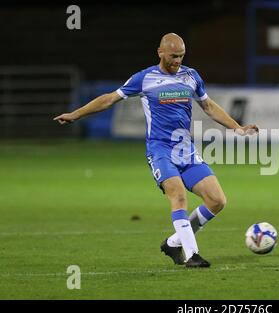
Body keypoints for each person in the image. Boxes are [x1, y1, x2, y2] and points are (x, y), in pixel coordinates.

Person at [53, 33, 259, 268]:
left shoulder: (191, 76)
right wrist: (75, 114)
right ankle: (192, 255)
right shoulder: (145, 78)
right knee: (178, 196)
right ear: (160, 52)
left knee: (217, 200)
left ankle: (173, 243)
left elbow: (209, 107)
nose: (177, 61)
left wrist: (238, 128)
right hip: (160, 149)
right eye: (173, 56)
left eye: (181, 56)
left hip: (186, 150)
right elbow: (109, 99)